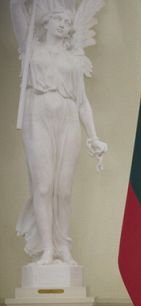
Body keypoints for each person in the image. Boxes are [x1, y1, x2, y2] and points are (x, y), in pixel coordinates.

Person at [10, 0, 107, 265]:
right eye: (59, 21)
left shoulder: (73, 59)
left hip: (67, 119)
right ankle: (47, 248)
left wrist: (94, 136)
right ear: (46, 22)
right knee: (43, 187)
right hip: (37, 114)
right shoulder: (30, 47)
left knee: (63, 190)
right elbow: (17, 8)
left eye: (67, 22)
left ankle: (63, 246)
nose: (63, 25)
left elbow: (82, 101)